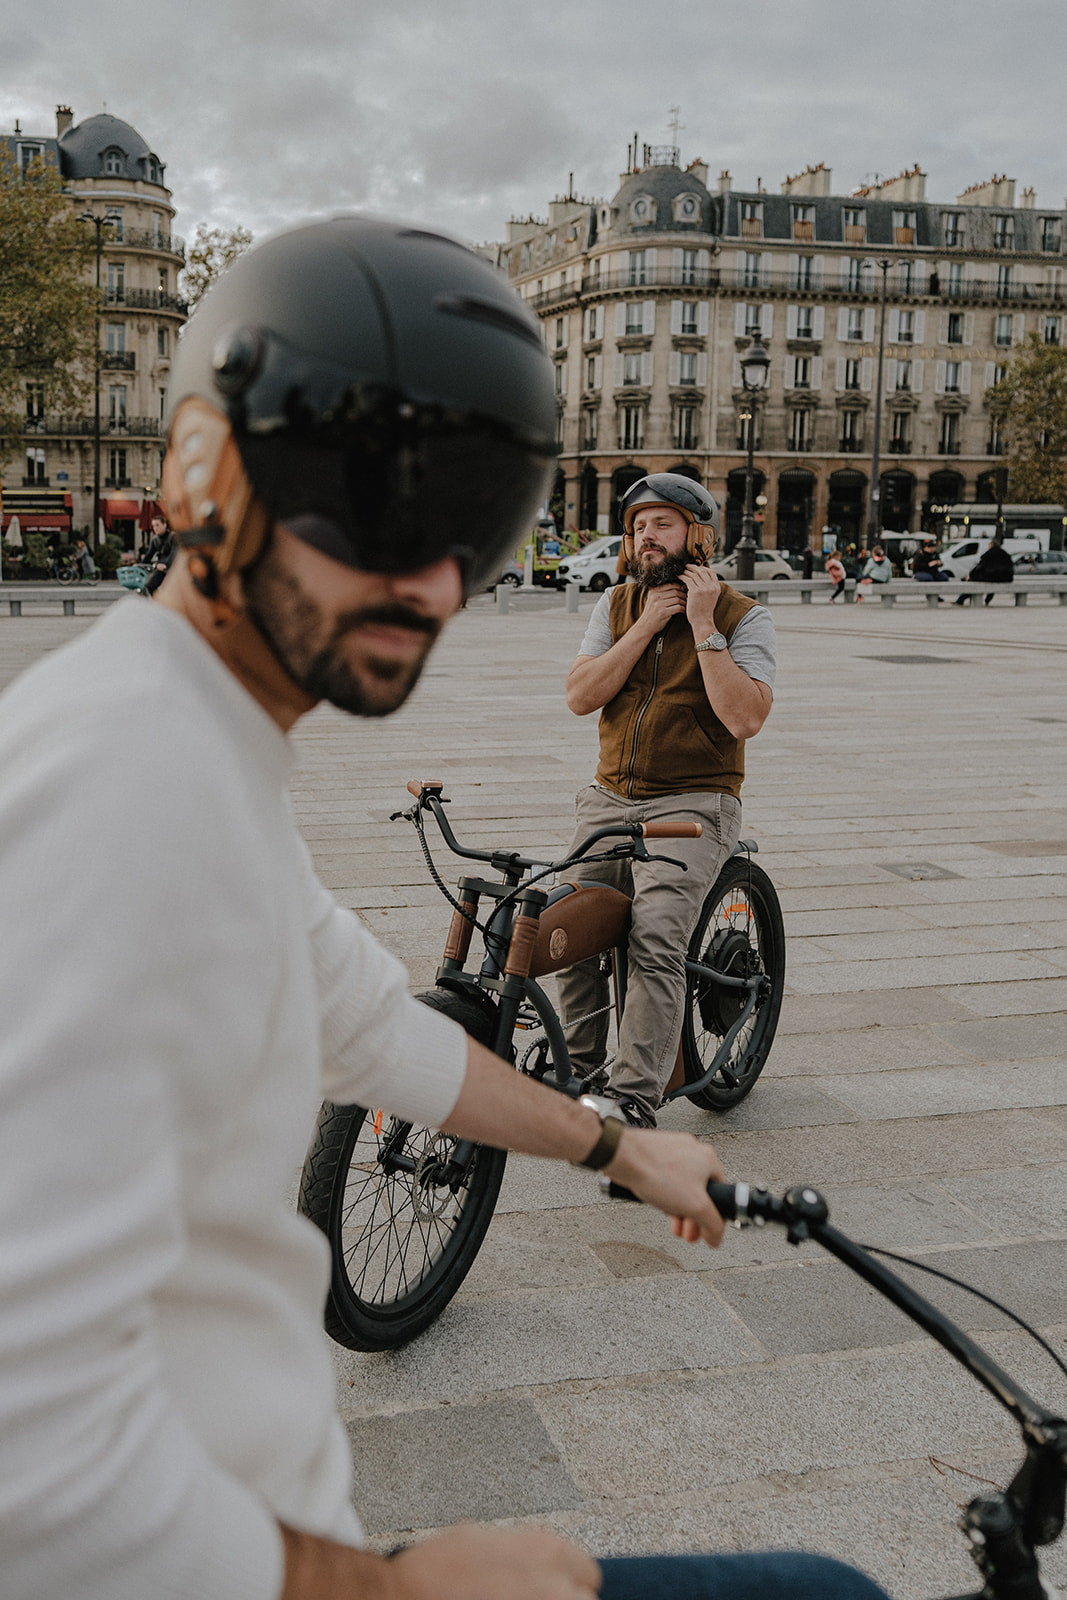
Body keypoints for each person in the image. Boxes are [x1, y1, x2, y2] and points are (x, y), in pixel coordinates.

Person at [0, 218, 886, 1600]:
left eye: (473, 530)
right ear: (199, 467)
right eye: (371, 507)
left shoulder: (187, 739)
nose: (426, 581)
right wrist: (397, 1589)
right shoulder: (129, 784)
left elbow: (374, 1030)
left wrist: (618, 1146)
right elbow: (34, 1459)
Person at [556, 473, 776, 1129]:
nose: (646, 536)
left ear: (698, 537)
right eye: (637, 527)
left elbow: (744, 718)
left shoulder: (744, 616)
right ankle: (579, 1074)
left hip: (695, 805)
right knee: (570, 928)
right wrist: (646, 623)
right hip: (608, 797)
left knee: (654, 935)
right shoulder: (616, 604)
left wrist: (702, 625)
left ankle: (631, 1097)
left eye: (662, 524)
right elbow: (580, 695)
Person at [956, 538, 1013, 605]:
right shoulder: (1005, 554)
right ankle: (987, 600)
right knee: (993, 582)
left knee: (973, 581)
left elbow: (980, 567)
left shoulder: (989, 554)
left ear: (991, 545)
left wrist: (970, 575)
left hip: (992, 577)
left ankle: (960, 599)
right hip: (1005, 578)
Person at [142, 511, 176, 596]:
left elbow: (174, 554)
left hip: (173, 568)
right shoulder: (155, 539)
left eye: (157, 525)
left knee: (171, 592)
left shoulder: (173, 537)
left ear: (164, 525)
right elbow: (149, 555)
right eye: (153, 526)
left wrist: (165, 565)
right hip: (161, 568)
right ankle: (157, 602)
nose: (155, 528)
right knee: (149, 587)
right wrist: (139, 565)